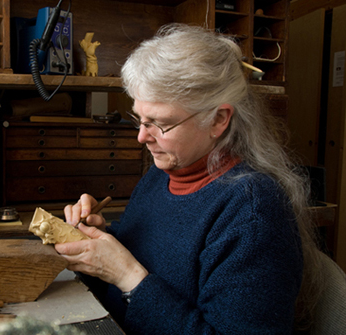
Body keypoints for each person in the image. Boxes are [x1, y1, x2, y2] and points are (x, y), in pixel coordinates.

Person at [54, 23, 324, 334]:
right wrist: (99, 241)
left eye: (160, 124)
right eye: (139, 119)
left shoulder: (253, 213)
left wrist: (127, 276)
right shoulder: (162, 175)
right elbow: (156, 258)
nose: (142, 137)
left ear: (218, 119)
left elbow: (138, 278)